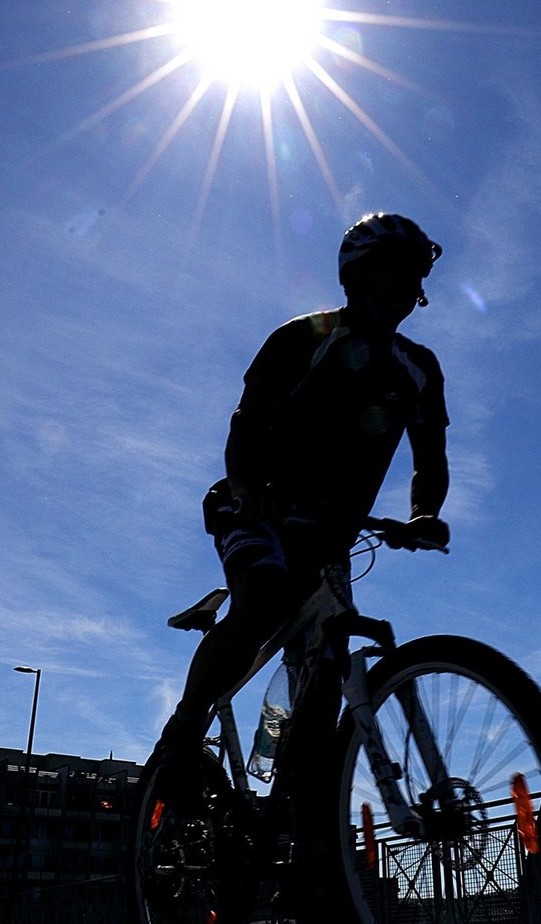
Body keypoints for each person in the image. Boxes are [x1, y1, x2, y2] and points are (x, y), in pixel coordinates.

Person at [151, 212, 451, 788]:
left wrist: (424, 516)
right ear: (359, 275)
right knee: (261, 603)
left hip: (331, 535)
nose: (411, 286)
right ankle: (184, 730)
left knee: (325, 676)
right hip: (253, 509)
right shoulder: (303, 339)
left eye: (417, 275)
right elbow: (245, 426)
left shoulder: (420, 369)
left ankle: (305, 833)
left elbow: (430, 461)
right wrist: (248, 491)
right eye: (398, 270)